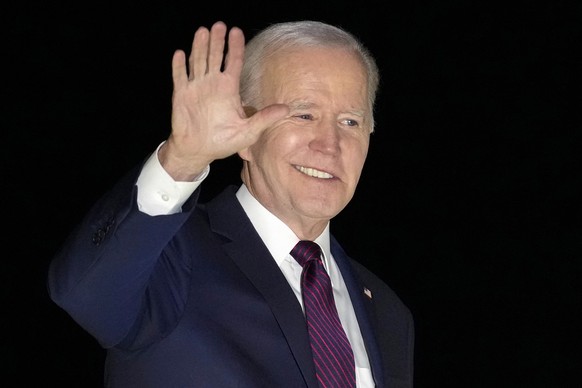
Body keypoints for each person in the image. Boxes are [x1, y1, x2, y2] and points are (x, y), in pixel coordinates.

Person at [48, 20, 414, 387]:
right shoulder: (170, 257)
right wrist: (182, 160)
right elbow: (84, 293)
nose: (330, 144)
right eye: (304, 115)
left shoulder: (387, 312)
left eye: (350, 121)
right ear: (245, 133)